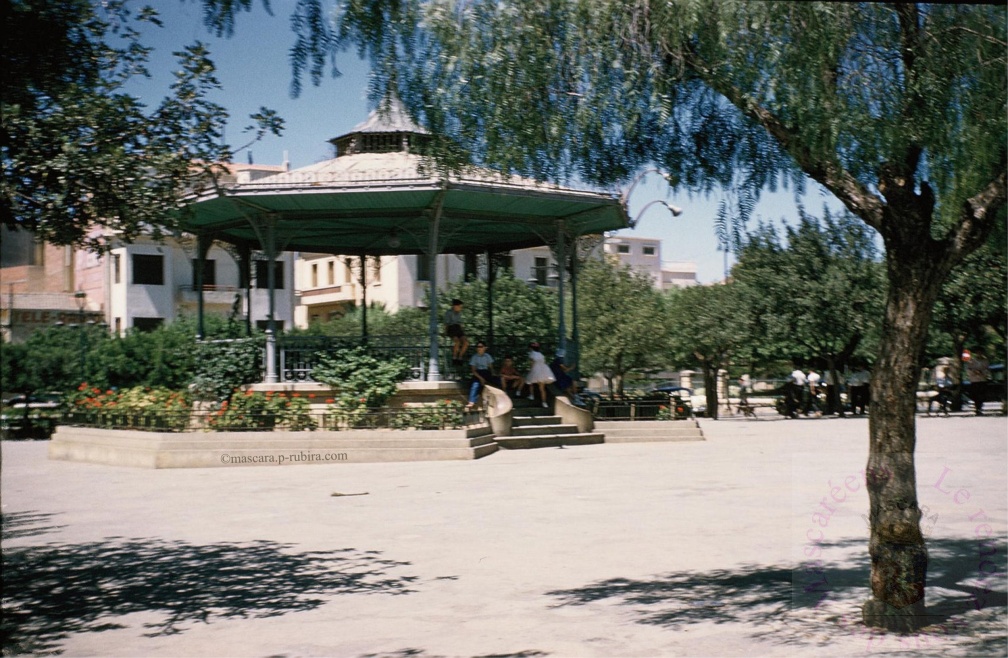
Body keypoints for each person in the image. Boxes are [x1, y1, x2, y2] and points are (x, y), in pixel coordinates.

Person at [466, 341, 498, 409]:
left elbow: (491, 368)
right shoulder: (474, 357)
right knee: (475, 385)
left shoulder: (487, 356)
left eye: (481, 347)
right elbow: (473, 371)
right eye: (478, 347)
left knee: (496, 382)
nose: (479, 348)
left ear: (484, 348)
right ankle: (471, 402)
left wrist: (493, 375)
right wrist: (481, 378)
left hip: (486, 372)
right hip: (478, 373)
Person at [524, 341, 555, 408]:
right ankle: (544, 402)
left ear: (531, 348)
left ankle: (531, 395)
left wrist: (530, 370)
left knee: (530, 382)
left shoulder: (532, 354)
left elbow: (532, 363)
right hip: (543, 370)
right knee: (542, 388)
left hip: (535, 369)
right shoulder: (541, 354)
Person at [964, 350, 991, 416]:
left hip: (982, 380)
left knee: (982, 395)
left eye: (981, 353)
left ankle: (980, 408)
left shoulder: (985, 361)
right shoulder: (972, 360)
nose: (979, 354)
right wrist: (974, 372)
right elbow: (968, 369)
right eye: (978, 353)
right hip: (974, 380)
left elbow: (987, 369)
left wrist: (982, 372)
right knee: (975, 395)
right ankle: (977, 408)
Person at [444, 299, 469, 365]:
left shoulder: (459, 313)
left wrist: (463, 332)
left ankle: (460, 356)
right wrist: (445, 332)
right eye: (460, 307)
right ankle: (454, 357)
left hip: (458, 328)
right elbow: (446, 324)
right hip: (451, 328)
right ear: (455, 306)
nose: (461, 308)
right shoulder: (448, 313)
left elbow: (460, 323)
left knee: (466, 343)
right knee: (457, 342)